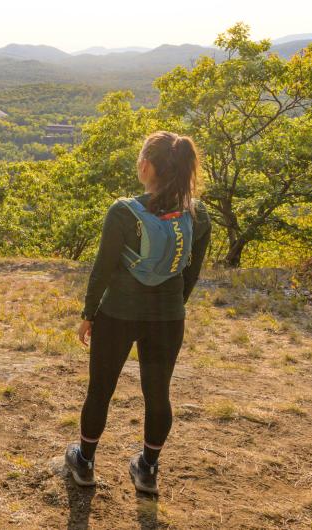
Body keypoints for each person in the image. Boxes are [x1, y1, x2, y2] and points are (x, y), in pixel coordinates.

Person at [63, 131, 212, 495]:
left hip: (118, 314)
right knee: (158, 394)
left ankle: (84, 461)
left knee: (100, 390)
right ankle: (147, 469)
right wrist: (175, 304)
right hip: (168, 317)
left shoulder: (123, 211)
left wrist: (88, 314)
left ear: (146, 166)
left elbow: (103, 269)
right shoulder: (198, 212)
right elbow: (191, 271)